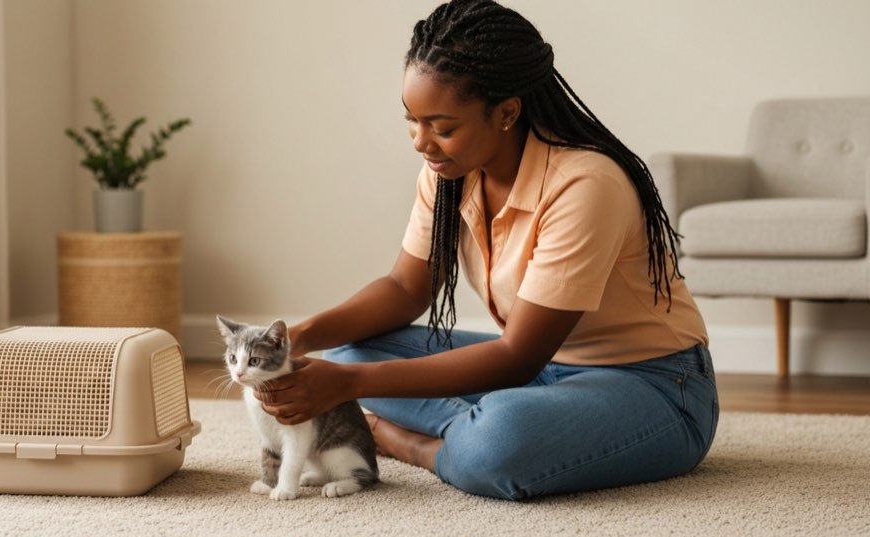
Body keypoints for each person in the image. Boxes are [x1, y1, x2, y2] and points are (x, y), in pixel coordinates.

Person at [254, 0, 718, 501]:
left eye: (442, 127)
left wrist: (349, 386)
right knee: (346, 349)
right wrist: (300, 337)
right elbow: (405, 288)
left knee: (498, 440)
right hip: (542, 372)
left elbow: (516, 357)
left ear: (506, 113)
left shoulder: (585, 185)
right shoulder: (448, 174)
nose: (421, 142)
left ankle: (415, 442)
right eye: (412, 120)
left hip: (654, 384)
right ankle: (475, 429)